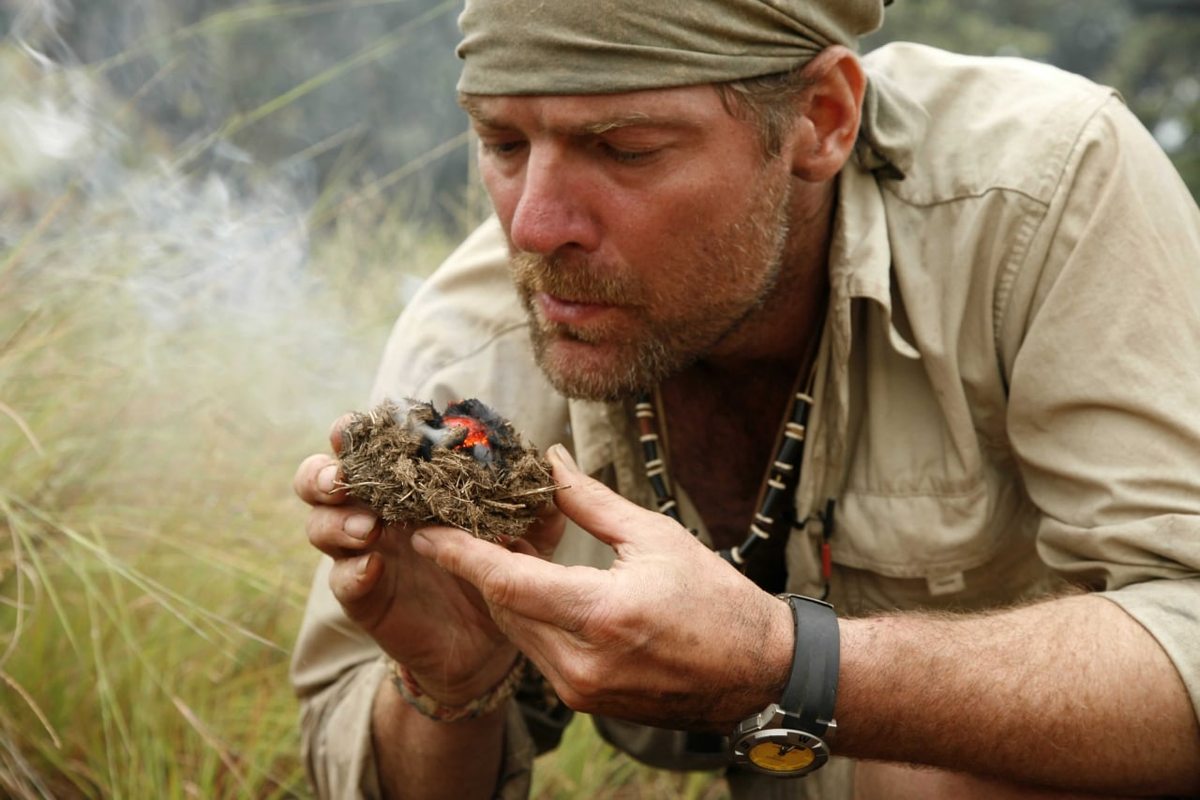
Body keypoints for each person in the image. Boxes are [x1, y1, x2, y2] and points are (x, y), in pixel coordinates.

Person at [290, 0, 1200, 797]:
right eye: (502, 144)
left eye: (625, 149)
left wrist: (785, 660)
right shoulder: (474, 358)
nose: (533, 227)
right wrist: (448, 691)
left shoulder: (1042, 196)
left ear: (823, 119)